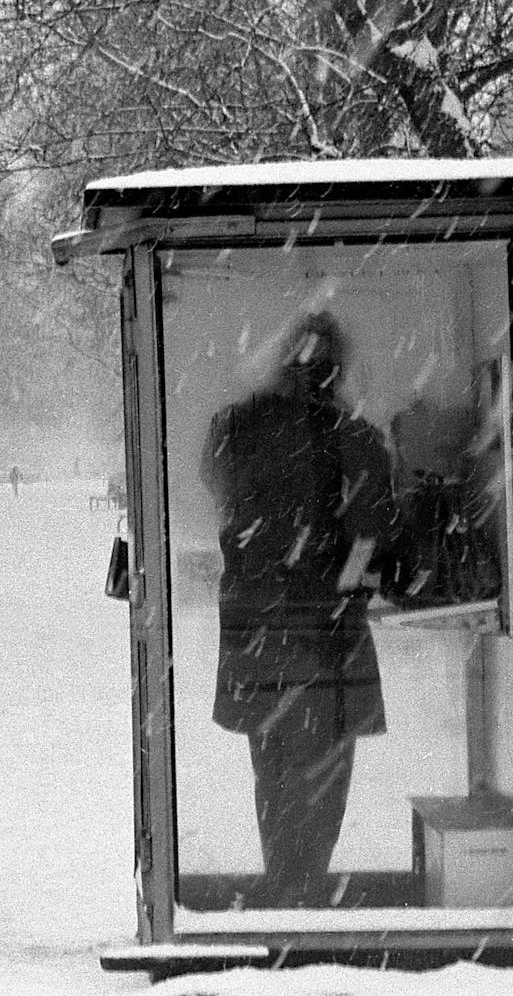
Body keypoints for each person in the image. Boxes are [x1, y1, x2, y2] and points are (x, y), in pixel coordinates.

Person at [203, 311, 395, 909]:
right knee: (323, 784)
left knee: (274, 776)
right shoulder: (356, 438)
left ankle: (285, 885)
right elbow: (371, 536)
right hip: (327, 642)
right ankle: (305, 889)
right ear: (336, 369)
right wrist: (342, 585)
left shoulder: (237, 425)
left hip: (259, 634)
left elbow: (219, 491)